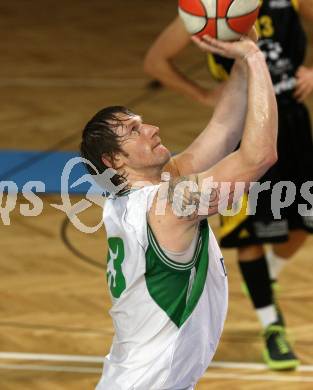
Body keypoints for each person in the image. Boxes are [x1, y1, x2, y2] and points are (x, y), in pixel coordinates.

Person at [80, 32, 277, 389]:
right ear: (114, 160)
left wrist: (242, 58)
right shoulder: (169, 206)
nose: (152, 129)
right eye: (135, 131)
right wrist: (256, 60)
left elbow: (222, 127)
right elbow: (258, 156)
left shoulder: (131, 199)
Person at [144, 0, 313, 370]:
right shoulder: (207, 7)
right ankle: (272, 326)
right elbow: (156, 60)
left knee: (303, 227)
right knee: (249, 236)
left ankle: (267, 278)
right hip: (244, 127)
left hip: (295, 124)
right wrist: (205, 95)